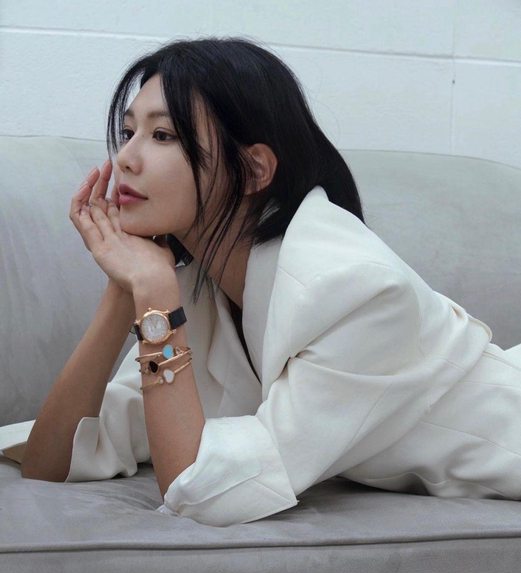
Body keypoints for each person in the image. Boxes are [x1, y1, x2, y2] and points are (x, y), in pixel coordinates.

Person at [15, 38, 521, 527]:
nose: (126, 157)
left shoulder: (355, 290)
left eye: (163, 135)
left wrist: (153, 299)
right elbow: (50, 461)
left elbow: (200, 493)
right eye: (129, 132)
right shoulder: (202, 286)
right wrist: (122, 291)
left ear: (254, 169)